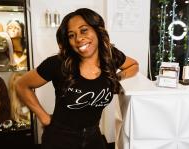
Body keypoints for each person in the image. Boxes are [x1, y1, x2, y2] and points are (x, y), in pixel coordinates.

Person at [16, 8, 139, 149]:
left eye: (84, 30)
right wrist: (43, 117)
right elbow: (21, 85)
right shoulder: (57, 63)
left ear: (97, 31)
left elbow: (133, 65)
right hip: (60, 137)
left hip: (94, 134)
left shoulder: (111, 57)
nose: (79, 39)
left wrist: (118, 79)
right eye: (71, 35)